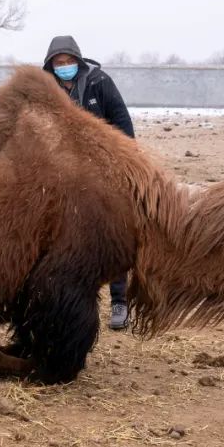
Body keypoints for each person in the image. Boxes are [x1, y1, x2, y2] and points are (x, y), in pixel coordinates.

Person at [43, 35, 136, 330]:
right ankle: (74, 303)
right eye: (59, 62)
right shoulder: (46, 89)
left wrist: (125, 160)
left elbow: (122, 121)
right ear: (51, 65)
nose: (64, 66)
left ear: (78, 61)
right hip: (65, 174)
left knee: (112, 233)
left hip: (104, 170)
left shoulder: (99, 82)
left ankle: (120, 301)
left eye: (69, 61)